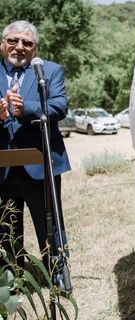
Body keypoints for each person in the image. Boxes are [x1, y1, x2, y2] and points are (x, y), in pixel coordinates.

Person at [0, 20, 71, 268]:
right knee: (5, 228)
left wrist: (26, 108)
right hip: (3, 169)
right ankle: (11, 279)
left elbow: (60, 106)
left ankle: (58, 276)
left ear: (34, 48)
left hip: (40, 165)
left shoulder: (48, 71)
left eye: (27, 43)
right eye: (13, 41)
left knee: (49, 224)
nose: (19, 47)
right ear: (3, 43)